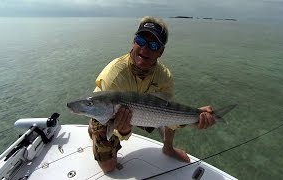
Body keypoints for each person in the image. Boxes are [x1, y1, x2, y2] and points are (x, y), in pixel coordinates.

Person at [88, 16, 215, 172]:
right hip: (106, 115)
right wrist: (124, 130)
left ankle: (168, 148)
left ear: (160, 52)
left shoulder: (164, 76)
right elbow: (109, 119)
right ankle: (92, 130)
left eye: (153, 45)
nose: (145, 49)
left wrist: (196, 117)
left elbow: (170, 114)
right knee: (109, 167)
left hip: (143, 110)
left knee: (169, 111)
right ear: (133, 42)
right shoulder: (113, 75)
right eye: (141, 41)